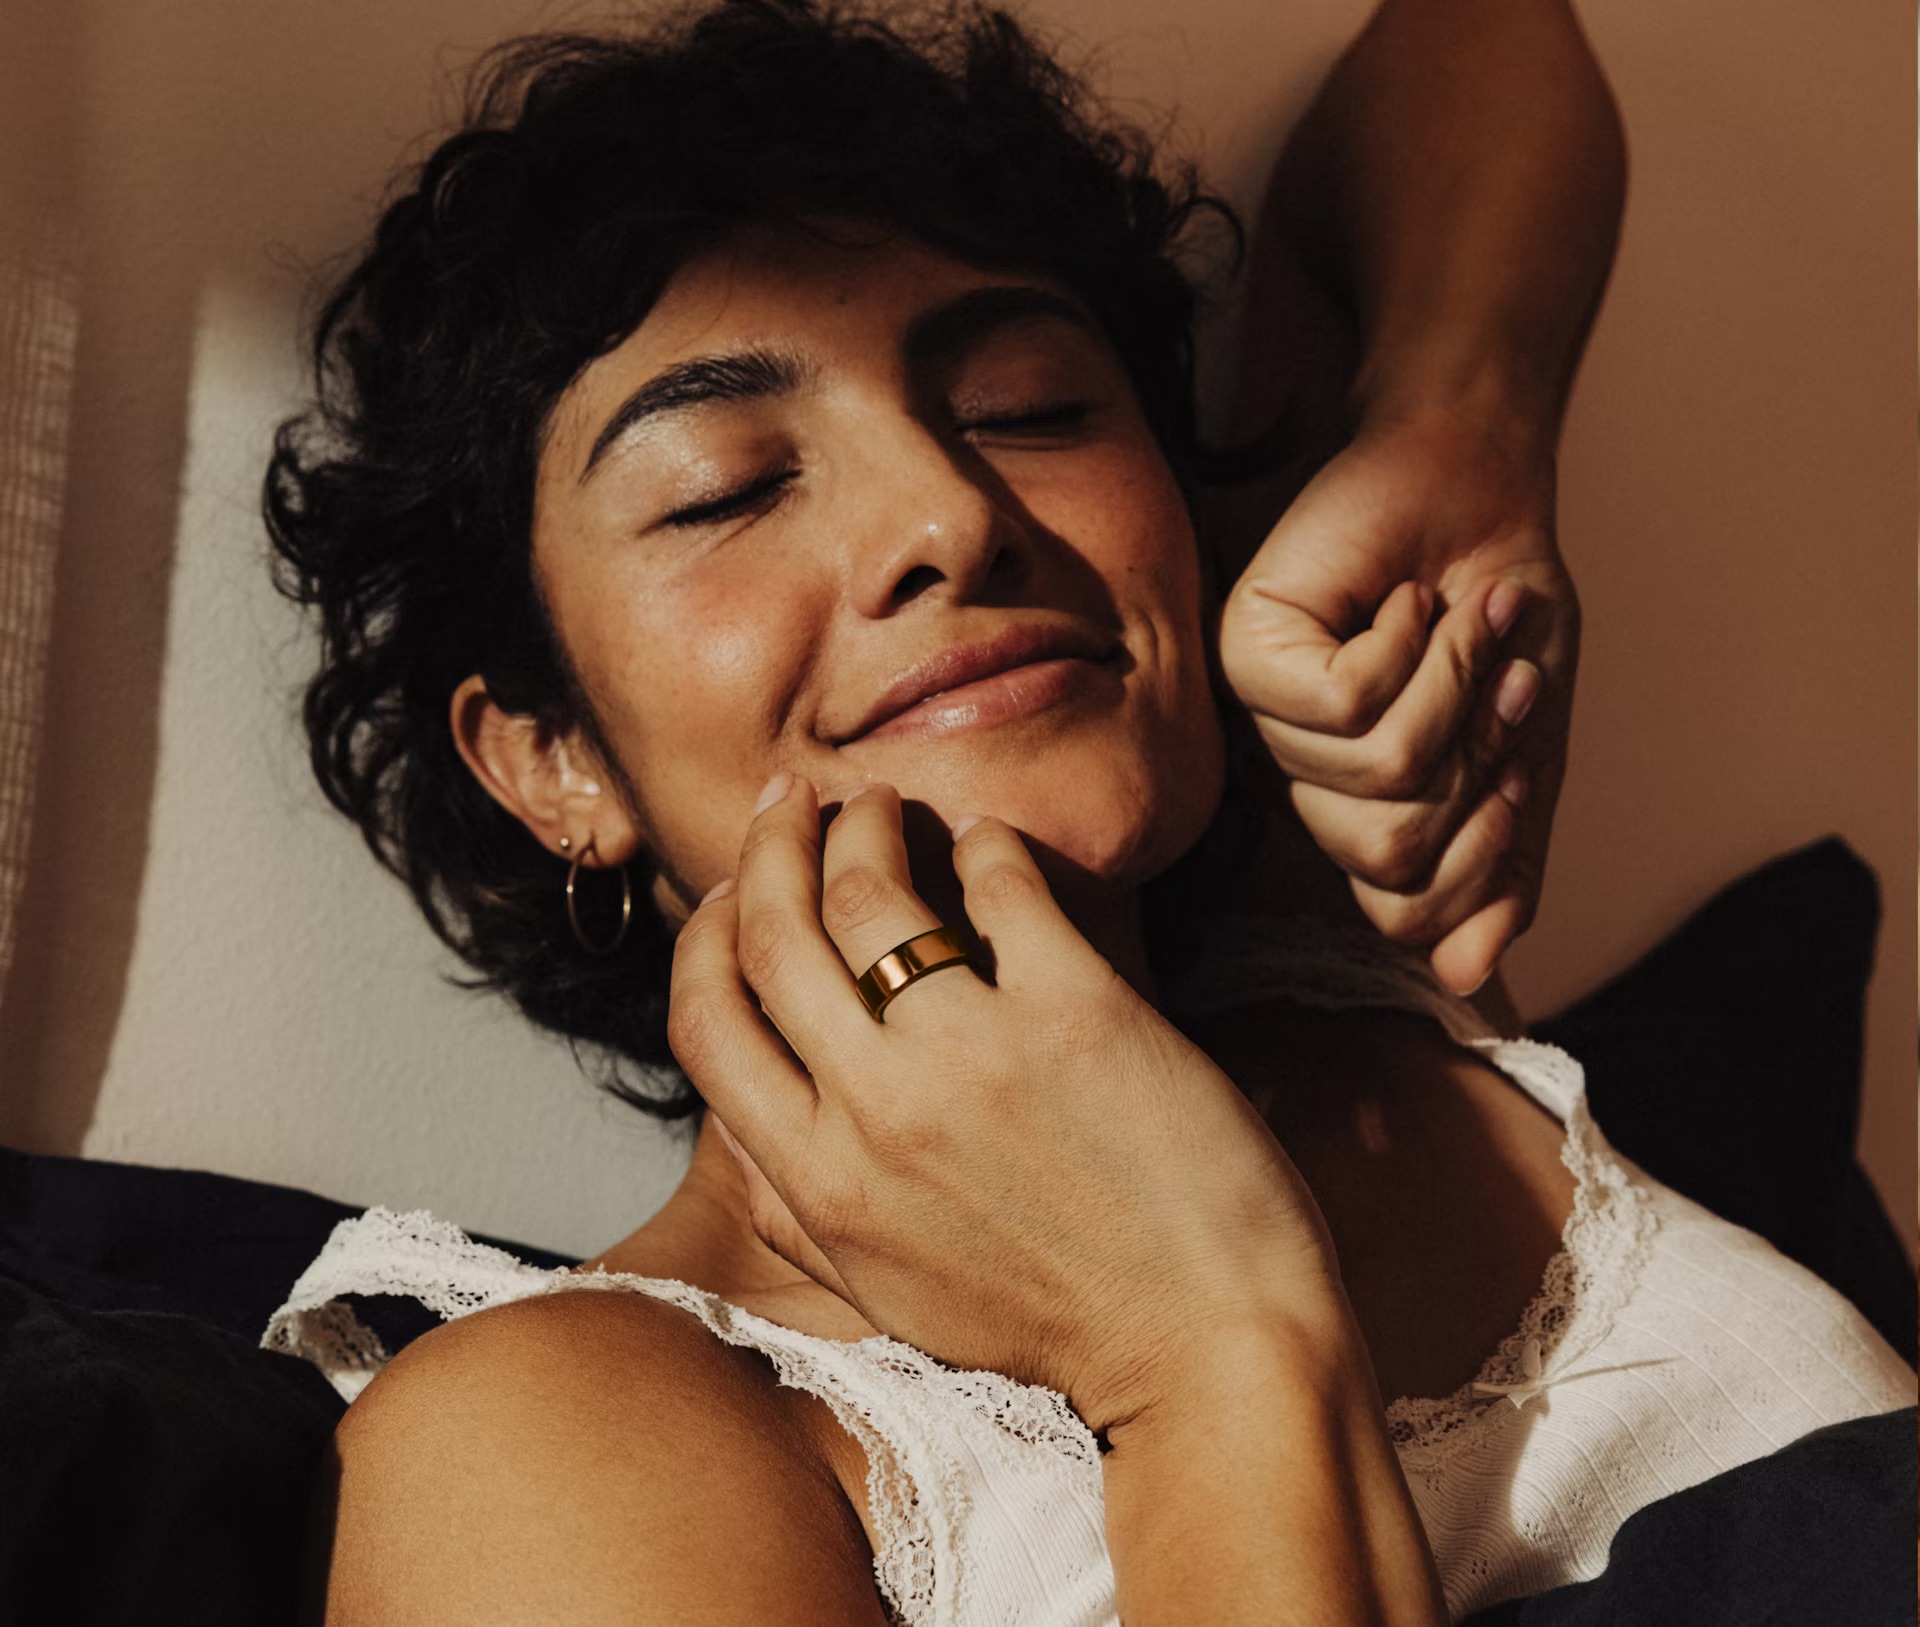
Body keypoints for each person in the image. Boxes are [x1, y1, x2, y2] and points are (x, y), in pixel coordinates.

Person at [259, 2, 1913, 1623]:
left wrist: (1458, 428)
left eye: (1032, 406)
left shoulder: (1337, 925)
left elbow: (1479, 43)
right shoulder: (555, 1434)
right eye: (729, 487)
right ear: (550, 760)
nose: (950, 515)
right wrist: (1197, 1342)